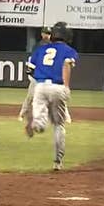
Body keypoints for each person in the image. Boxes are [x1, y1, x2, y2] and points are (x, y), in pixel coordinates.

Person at [25, 22, 78, 171]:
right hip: (58, 86)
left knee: (41, 125)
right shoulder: (69, 50)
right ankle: (57, 162)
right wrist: (66, 87)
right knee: (58, 125)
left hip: (41, 86)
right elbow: (66, 65)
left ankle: (36, 124)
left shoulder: (41, 49)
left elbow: (30, 70)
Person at [19, 26, 54, 122]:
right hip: (37, 76)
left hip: (48, 77)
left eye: (49, 34)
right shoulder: (37, 46)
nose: (47, 35)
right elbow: (32, 60)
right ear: (42, 34)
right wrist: (31, 69)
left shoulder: (54, 47)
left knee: (54, 97)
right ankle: (22, 114)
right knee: (30, 97)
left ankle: (63, 116)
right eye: (45, 33)